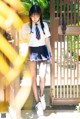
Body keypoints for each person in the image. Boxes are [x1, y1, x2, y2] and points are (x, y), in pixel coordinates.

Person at [21, 4, 52, 117]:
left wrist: (50, 53)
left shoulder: (44, 25)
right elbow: (23, 41)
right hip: (32, 52)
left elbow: (47, 40)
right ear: (30, 15)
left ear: (40, 15)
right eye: (33, 15)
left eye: (37, 15)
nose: (34, 17)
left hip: (43, 51)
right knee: (33, 77)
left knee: (42, 76)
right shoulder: (26, 27)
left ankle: (42, 95)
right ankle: (38, 103)